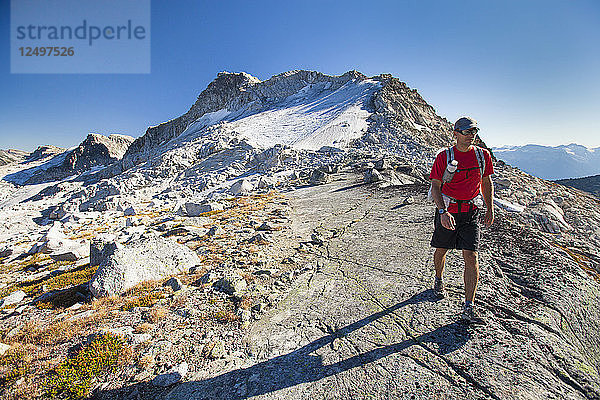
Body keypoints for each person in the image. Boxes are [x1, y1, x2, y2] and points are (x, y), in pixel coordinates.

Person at [429, 116, 494, 324]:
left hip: (471, 211)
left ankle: (469, 306)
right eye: (466, 132)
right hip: (448, 209)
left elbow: (486, 182)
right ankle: (439, 279)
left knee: (471, 256)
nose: (471, 136)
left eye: (474, 132)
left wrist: (490, 208)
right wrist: (442, 212)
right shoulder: (444, 157)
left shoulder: (483, 156)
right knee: (441, 250)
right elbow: (436, 186)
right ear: (455, 133)